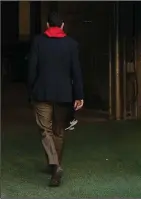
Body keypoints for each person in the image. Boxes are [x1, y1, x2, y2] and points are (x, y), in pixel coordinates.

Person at [28, 12, 84, 187]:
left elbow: (32, 68)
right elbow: (76, 71)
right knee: (59, 131)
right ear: (62, 25)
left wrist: (31, 90)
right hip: (64, 94)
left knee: (45, 130)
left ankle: (54, 165)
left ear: (47, 25)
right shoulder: (71, 44)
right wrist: (79, 95)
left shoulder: (38, 41)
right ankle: (56, 166)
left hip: (42, 92)